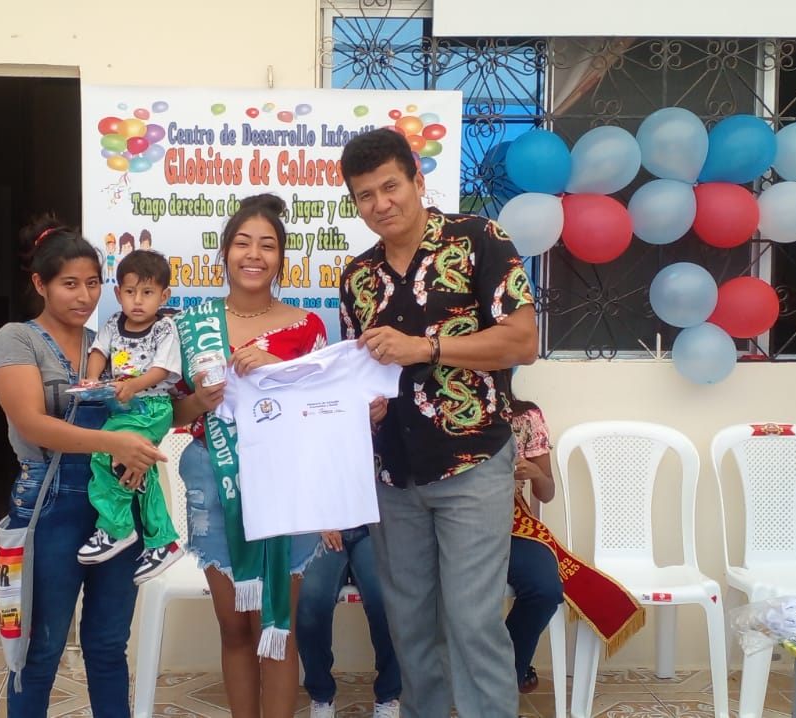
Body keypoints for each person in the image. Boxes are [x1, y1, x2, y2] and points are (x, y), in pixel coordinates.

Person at [337, 127, 539, 717]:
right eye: (366, 195)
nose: (381, 204)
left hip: (471, 463)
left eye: (390, 187)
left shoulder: (479, 239)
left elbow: (522, 342)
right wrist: (363, 405)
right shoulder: (357, 277)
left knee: (474, 622)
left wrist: (426, 348)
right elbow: (360, 372)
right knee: (410, 626)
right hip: (393, 476)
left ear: (417, 181)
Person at [0, 218, 168, 717]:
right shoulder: (16, 340)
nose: (85, 296)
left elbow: (148, 406)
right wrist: (114, 442)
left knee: (108, 645)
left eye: (93, 283)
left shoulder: (110, 341)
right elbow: (32, 424)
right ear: (40, 284)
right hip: (50, 505)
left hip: (116, 508)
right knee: (40, 647)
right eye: (70, 283)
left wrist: (200, 401)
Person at [171, 193, 327, 717]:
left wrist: (276, 373)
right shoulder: (191, 325)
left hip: (286, 485)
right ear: (225, 253)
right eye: (242, 243)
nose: (254, 254)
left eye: (267, 245)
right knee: (235, 626)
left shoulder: (307, 327)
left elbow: (319, 413)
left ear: (281, 257)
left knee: (276, 627)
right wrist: (200, 400)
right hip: (214, 483)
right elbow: (171, 413)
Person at [78, 249, 183, 581]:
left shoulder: (164, 328)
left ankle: (116, 527)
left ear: (164, 295)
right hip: (125, 409)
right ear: (118, 293)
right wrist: (92, 379)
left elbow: (162, 369)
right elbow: (98, 351)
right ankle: (163, 542)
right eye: (130, 291)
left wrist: (133, 385)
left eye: (147, 292)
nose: (138, 300)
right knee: (139, 473)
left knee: (104, 453)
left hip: (152, 408)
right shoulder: (113, 323)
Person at [296, 527, 400, 718]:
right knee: (310, 600)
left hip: (373, 530)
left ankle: (389, 697)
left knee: (386, 599)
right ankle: (321, 697)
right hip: (322, 531)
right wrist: (320, 525)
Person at [505, 398, 564, 694]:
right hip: (451, 523)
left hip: (510, 522)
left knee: (544, 589)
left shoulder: (525, 416)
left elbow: (547, 492)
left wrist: (536, 473)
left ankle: (506, 674)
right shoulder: (437, 409)